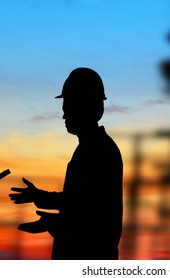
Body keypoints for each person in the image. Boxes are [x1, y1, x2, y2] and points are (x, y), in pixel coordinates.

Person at [10, 67, 123, 260]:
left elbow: (94, 216)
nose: (64, 116)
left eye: (68, 108)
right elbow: (80, 200)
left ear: (84, 106)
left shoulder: (98, 151)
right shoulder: (91, 148)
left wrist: (54, 223)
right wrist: (41, 197)